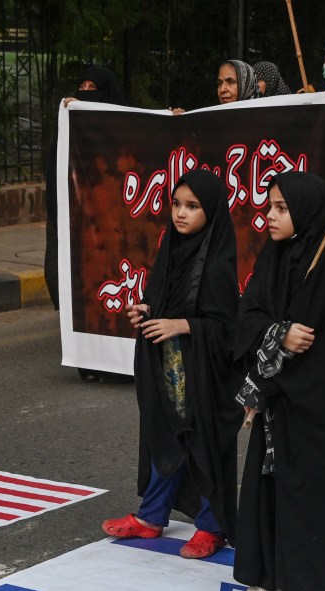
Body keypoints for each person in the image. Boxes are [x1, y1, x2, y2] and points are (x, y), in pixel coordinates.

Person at [232, 171, 325, 591]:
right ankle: (272, 572)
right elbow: (248, 313)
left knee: (309, 488)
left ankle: (315, 585)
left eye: (281, 209)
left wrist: (283, 338)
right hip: (277, 399)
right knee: (269, 485)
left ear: (306, 213)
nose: (269, 216)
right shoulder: (273, 259)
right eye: (269, 207)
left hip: (312, 399)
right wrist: (276, 332)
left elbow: (305, 336)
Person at [101, 170, 241, 559]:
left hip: (205, 375)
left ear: (210, 211)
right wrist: (147, 311)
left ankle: (211, 527)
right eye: (176, 204)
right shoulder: (172, 251)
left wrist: (181, 324)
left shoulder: (217, 263)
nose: (181, 214)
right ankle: (151, 517)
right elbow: (166, 299)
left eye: (192, 207)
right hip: (168, 368)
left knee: (202, 446)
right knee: (164, 438)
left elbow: (229, 328)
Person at [47, 66, 133, 384]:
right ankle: (90, 359)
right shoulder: (73, 121)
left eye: (93, 86)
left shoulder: (126, 125)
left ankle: (121, 359)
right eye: (81, 85)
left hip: (118, 226)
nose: (85, 92)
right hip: (85, 226)